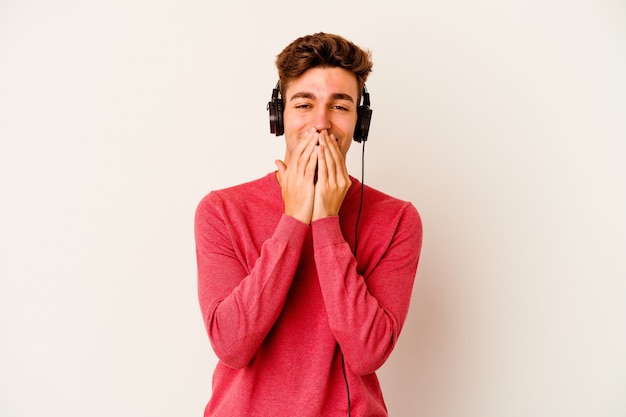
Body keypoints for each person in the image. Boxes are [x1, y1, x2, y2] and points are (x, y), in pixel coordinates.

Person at [194, 32, 423, 417]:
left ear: (360, 122)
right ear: (278, 115)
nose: (321, 123)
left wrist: (326, 221)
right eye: (304, 104)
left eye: (339, 106)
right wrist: (294, 218)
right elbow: (232, 345)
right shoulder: (222, 210)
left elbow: (367, 353)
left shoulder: (397, 219)